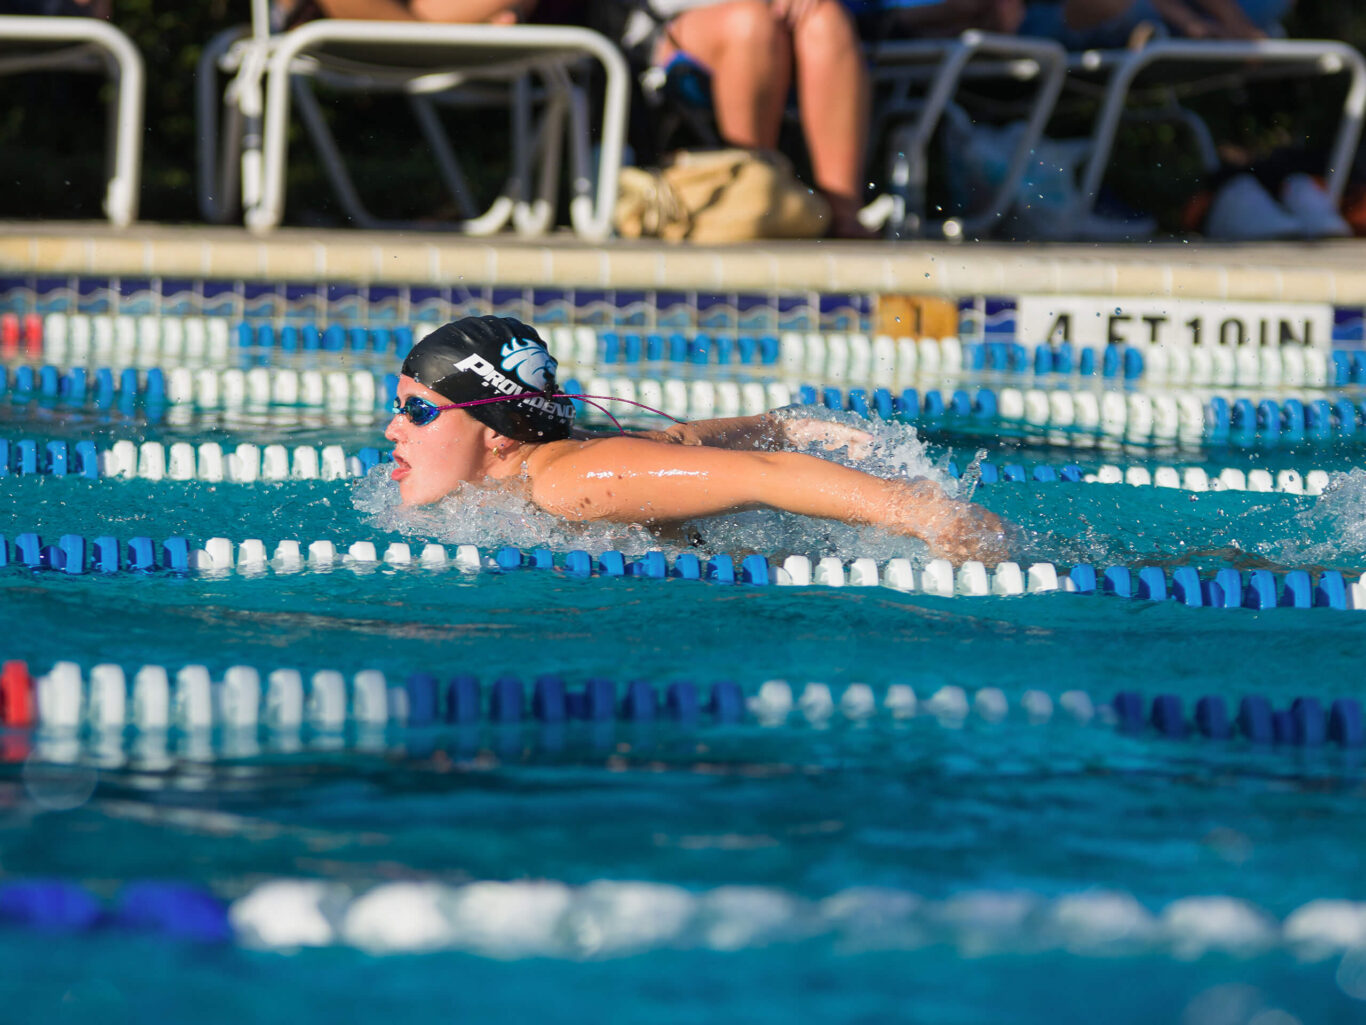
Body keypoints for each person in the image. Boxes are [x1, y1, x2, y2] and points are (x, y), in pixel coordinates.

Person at [384, 315, 1009, 564]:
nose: (393, 429)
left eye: (418, 412)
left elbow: (769, 477)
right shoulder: (555, 466)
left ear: (496, 433)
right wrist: (775, 423)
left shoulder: (568, 483)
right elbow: (673, 443)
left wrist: (922, 513)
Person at [628, 1, 873, 238]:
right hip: (672, 20)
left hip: (776, 18)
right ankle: (758, 200)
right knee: (752, 24)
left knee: (828, 22)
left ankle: (844, 213)